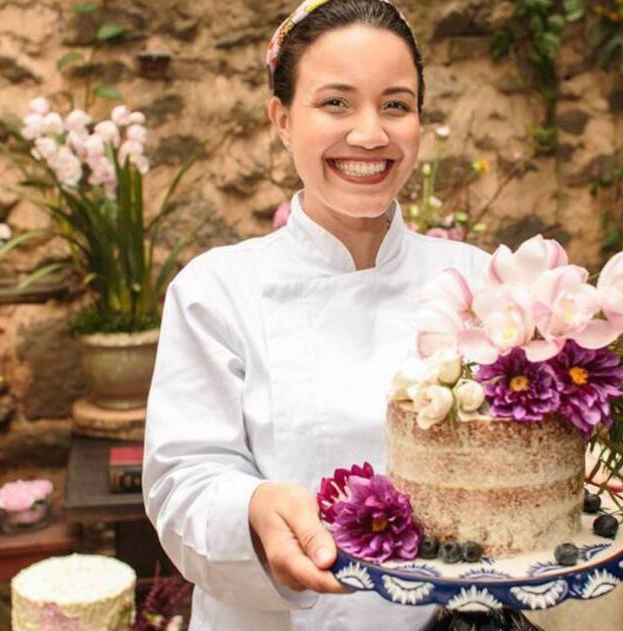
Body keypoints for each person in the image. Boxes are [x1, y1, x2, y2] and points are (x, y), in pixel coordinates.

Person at [143, 1, 490, 629]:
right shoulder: (217, 290)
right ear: (281, 118)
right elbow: (181, 483)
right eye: (335, 103)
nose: (369, 134)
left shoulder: (477, 281)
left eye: (395, 104)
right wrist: (252, 507)